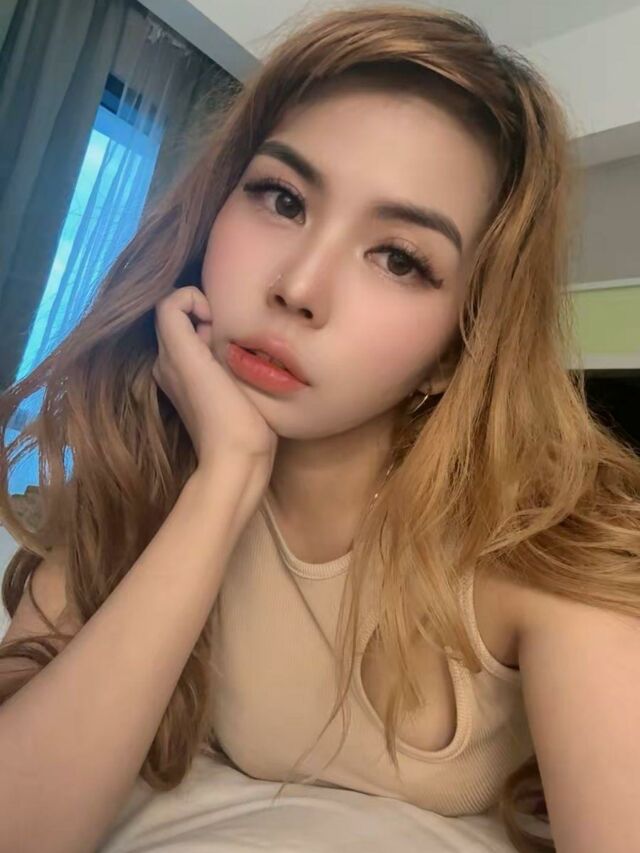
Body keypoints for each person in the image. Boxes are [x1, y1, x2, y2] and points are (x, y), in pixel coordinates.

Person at [1, 4, 639, 853]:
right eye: (283, 198)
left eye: (399, 258)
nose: (298, 286)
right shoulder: (134, 473)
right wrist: (223, 480)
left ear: (457, 349)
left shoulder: (551, 543)